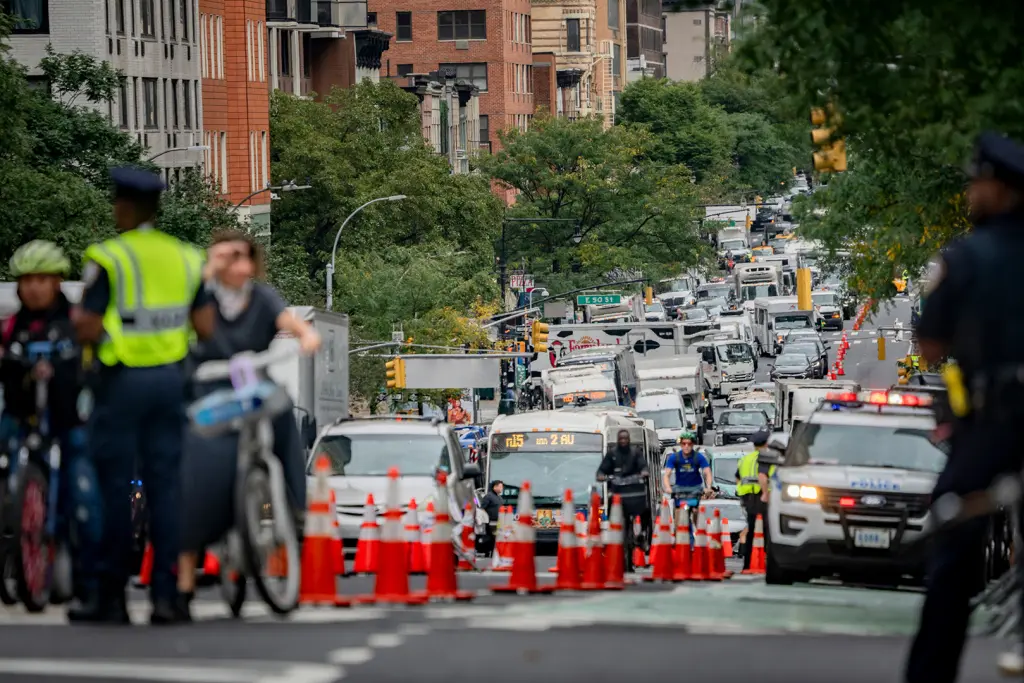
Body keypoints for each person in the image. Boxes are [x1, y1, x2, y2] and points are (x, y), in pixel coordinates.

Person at [71, 166, 215, 625]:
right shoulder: (188, 257)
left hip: (121, 383)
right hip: (171, 383)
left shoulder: (109, 256)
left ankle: (109, 597)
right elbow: (206, 327)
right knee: (165, 491)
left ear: (126, 207)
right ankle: (167, 598)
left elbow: (89, 324)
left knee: (114, 491)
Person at [904, 131, 1024, 683]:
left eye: (978, 183)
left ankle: (931, 673)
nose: (971, 193)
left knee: (953, 534)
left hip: (994, 423)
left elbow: (929, 344)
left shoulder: (965, 257)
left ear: (1002, 190)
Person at [176, 230, 321, 620]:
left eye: (241, 256)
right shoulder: (200, 297)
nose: (233, 264)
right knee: (195, 458)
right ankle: (187, 572)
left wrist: (306, 336)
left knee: (283, 413)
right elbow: (182, 328)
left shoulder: (261, 297)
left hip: (254, 386)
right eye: (224, 256)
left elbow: (287, 320)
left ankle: (295, 503)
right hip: (210, 390)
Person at [0, 241, 102, 604]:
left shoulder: (77, 322)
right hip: (19, 416)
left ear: (57, 282)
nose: (34, 287)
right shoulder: (10, 326)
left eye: (42, 279)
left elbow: (100, 360)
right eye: (27, 280)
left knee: (85, 493)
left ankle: (90, 582)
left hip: (68, 419)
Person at [596, 430, 650, 572]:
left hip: (634, 493)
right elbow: (601, 471)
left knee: (646, 510)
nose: (624, 441)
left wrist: (643, 472)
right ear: (618, 440)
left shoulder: (635, 452)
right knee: (613, 512)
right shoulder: (612, 454)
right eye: (621, 438)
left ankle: (642, 533)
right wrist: (603, 476)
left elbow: (644, 467)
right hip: (619, 495)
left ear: (629, 439)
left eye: (626, 438)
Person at [735, 430, 774, 570]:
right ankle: (770, 564)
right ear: (767, 443)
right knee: (768, 531)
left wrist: (741, 491)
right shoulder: (767, 457)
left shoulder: (746, 459)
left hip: (747, 498)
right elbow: (763, 477)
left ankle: (746, 565)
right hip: (762, 498)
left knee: (751, 531)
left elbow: (738, 477)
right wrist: (765, 493)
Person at [661, 430, 712, 496]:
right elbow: (666, 475)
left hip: (696, 490)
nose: (686, 446)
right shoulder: (674, 457)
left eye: (689, 444)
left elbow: (707, 473)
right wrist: (668, 487)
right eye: (684, 443)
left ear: (693, 444)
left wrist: (708, 487)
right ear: (681, 445)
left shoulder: (699, 457)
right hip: (680, 490)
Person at [479, 480, 504, 556]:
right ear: (495, 487)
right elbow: (482, 509)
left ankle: (494, 554)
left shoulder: (499, 498)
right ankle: (490, 553)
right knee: (493, 538)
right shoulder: (488, 496)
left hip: (499, 522)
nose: (502, 488)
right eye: (501, 486)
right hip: (491, 522)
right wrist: (485, 520)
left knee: (497, 538)